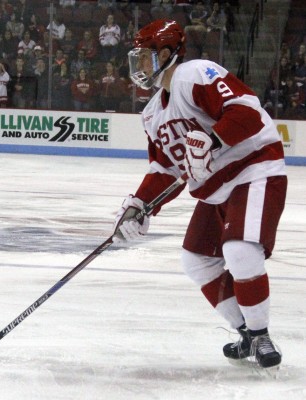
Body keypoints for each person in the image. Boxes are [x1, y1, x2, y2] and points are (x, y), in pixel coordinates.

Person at [112, 19, 287, 370]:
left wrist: (214, 138)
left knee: (239, 250)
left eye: (144, 57)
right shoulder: (151, 114)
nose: (139, 66)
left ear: (166, 53)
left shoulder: (194, 74)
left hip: (254, 168)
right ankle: (247, 334)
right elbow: (165, 168)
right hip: (217, 188)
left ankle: (262, 333)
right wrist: (140, 206)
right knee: (197, 259)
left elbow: (247, 110)